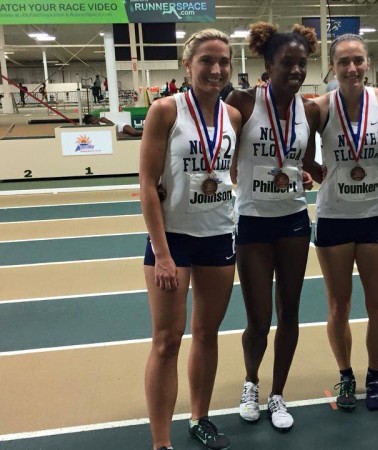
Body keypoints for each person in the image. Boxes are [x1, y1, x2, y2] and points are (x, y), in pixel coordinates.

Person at [139, 28, 242, 450]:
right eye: (206, 61)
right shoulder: (165, 111)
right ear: (188, 65)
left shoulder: (233, 116)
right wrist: (162, 254)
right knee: (166, 341)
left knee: (207, 334)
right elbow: (147, 184)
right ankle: (161, 442)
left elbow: (229, 173)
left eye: (223, 62)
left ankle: (200, 417)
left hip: (218, 235)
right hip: (173, 242)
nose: (215, 69)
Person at [226, 21, 319, 432]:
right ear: (267, 63)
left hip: (295, 221)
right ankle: (251, 382)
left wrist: (322, 173)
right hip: (253, 222)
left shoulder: (310, 109)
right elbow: (215, 144)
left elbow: (308, 161)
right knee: (259, 319)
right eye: (287, 63)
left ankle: (278, 392)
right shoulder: (244, 102)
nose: (296, 71)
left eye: (302, 64)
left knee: (291, 312)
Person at [309, 34, 378, 412]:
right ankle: (346, 375)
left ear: (368, 63)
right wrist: (319, 173)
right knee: (338, 305)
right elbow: (292, 149)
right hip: (333, 218)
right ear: (332, 66)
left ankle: (373, 377)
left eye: (358, 60)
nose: (351, 68)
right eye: (343, 61)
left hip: (374, 215)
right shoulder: (319, 107)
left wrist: (373, 172)